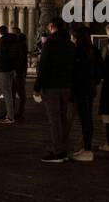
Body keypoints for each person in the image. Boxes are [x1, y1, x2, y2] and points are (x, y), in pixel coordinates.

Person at [35, 16, 76, 163]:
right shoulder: (70, 44)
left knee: (55, 120)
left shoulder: (50, 44)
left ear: (52, 26)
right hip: (67, 86)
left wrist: (37, 87)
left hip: (52, 87)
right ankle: (63, 149)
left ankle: (58, 152)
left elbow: (44, 67)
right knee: (63, 119)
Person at [69, 23, 99, 161]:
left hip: (80, 89)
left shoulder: (78, 51)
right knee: (87, 119)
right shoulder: (93, 50)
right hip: (90, 89)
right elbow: (100, 71)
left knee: (85, 120)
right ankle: (85, 147)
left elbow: (74, 71)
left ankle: (87, 150)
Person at [0, 23, 19, 123]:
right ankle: (10, 114)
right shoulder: (15, 40)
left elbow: (2, 56)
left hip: (4, 69)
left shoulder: (2, 42)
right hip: (11, 69)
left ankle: (10, 116)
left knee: (7, 93)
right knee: (8, 92)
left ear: (0, 32)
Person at [12, 25, 28, 121]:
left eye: (14, 33)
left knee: (20, 93)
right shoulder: (20, 43)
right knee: (13, 91)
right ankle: (12, 111)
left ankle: (20, 112)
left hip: (18, 72)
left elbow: (21, 59)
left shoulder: (20, 44)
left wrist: (16, 70)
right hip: (18, 71)